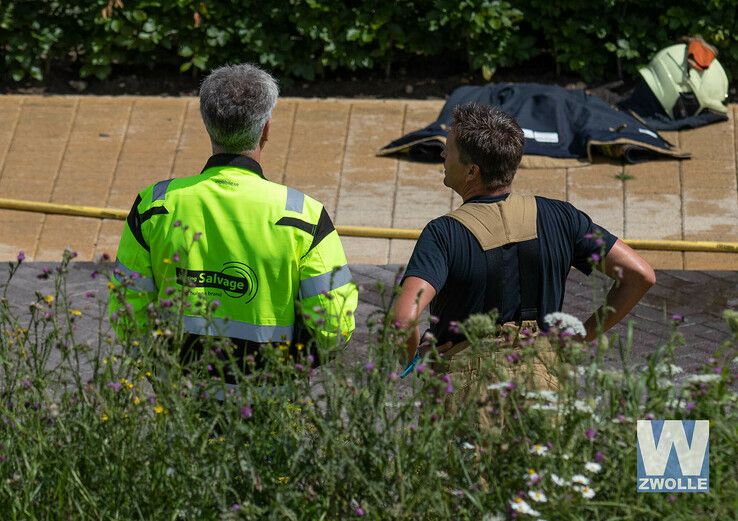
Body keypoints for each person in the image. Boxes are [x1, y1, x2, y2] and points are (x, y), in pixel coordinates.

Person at [109, 63, 357, 375]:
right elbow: (333, 328)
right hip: (269, 401)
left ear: (206, 124)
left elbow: (128, 315)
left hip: (177, 403)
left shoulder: (154, 205)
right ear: (266, 129)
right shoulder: (303, 216)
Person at [393, 103, 655, 389]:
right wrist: (581, 336)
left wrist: (414, 360)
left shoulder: (443, 234)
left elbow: (404, 318)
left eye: (449, 150)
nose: (442, 154)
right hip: (543, 385)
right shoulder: (562, 217)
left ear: (472, 172)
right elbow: (640, 275)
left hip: (467, 395)